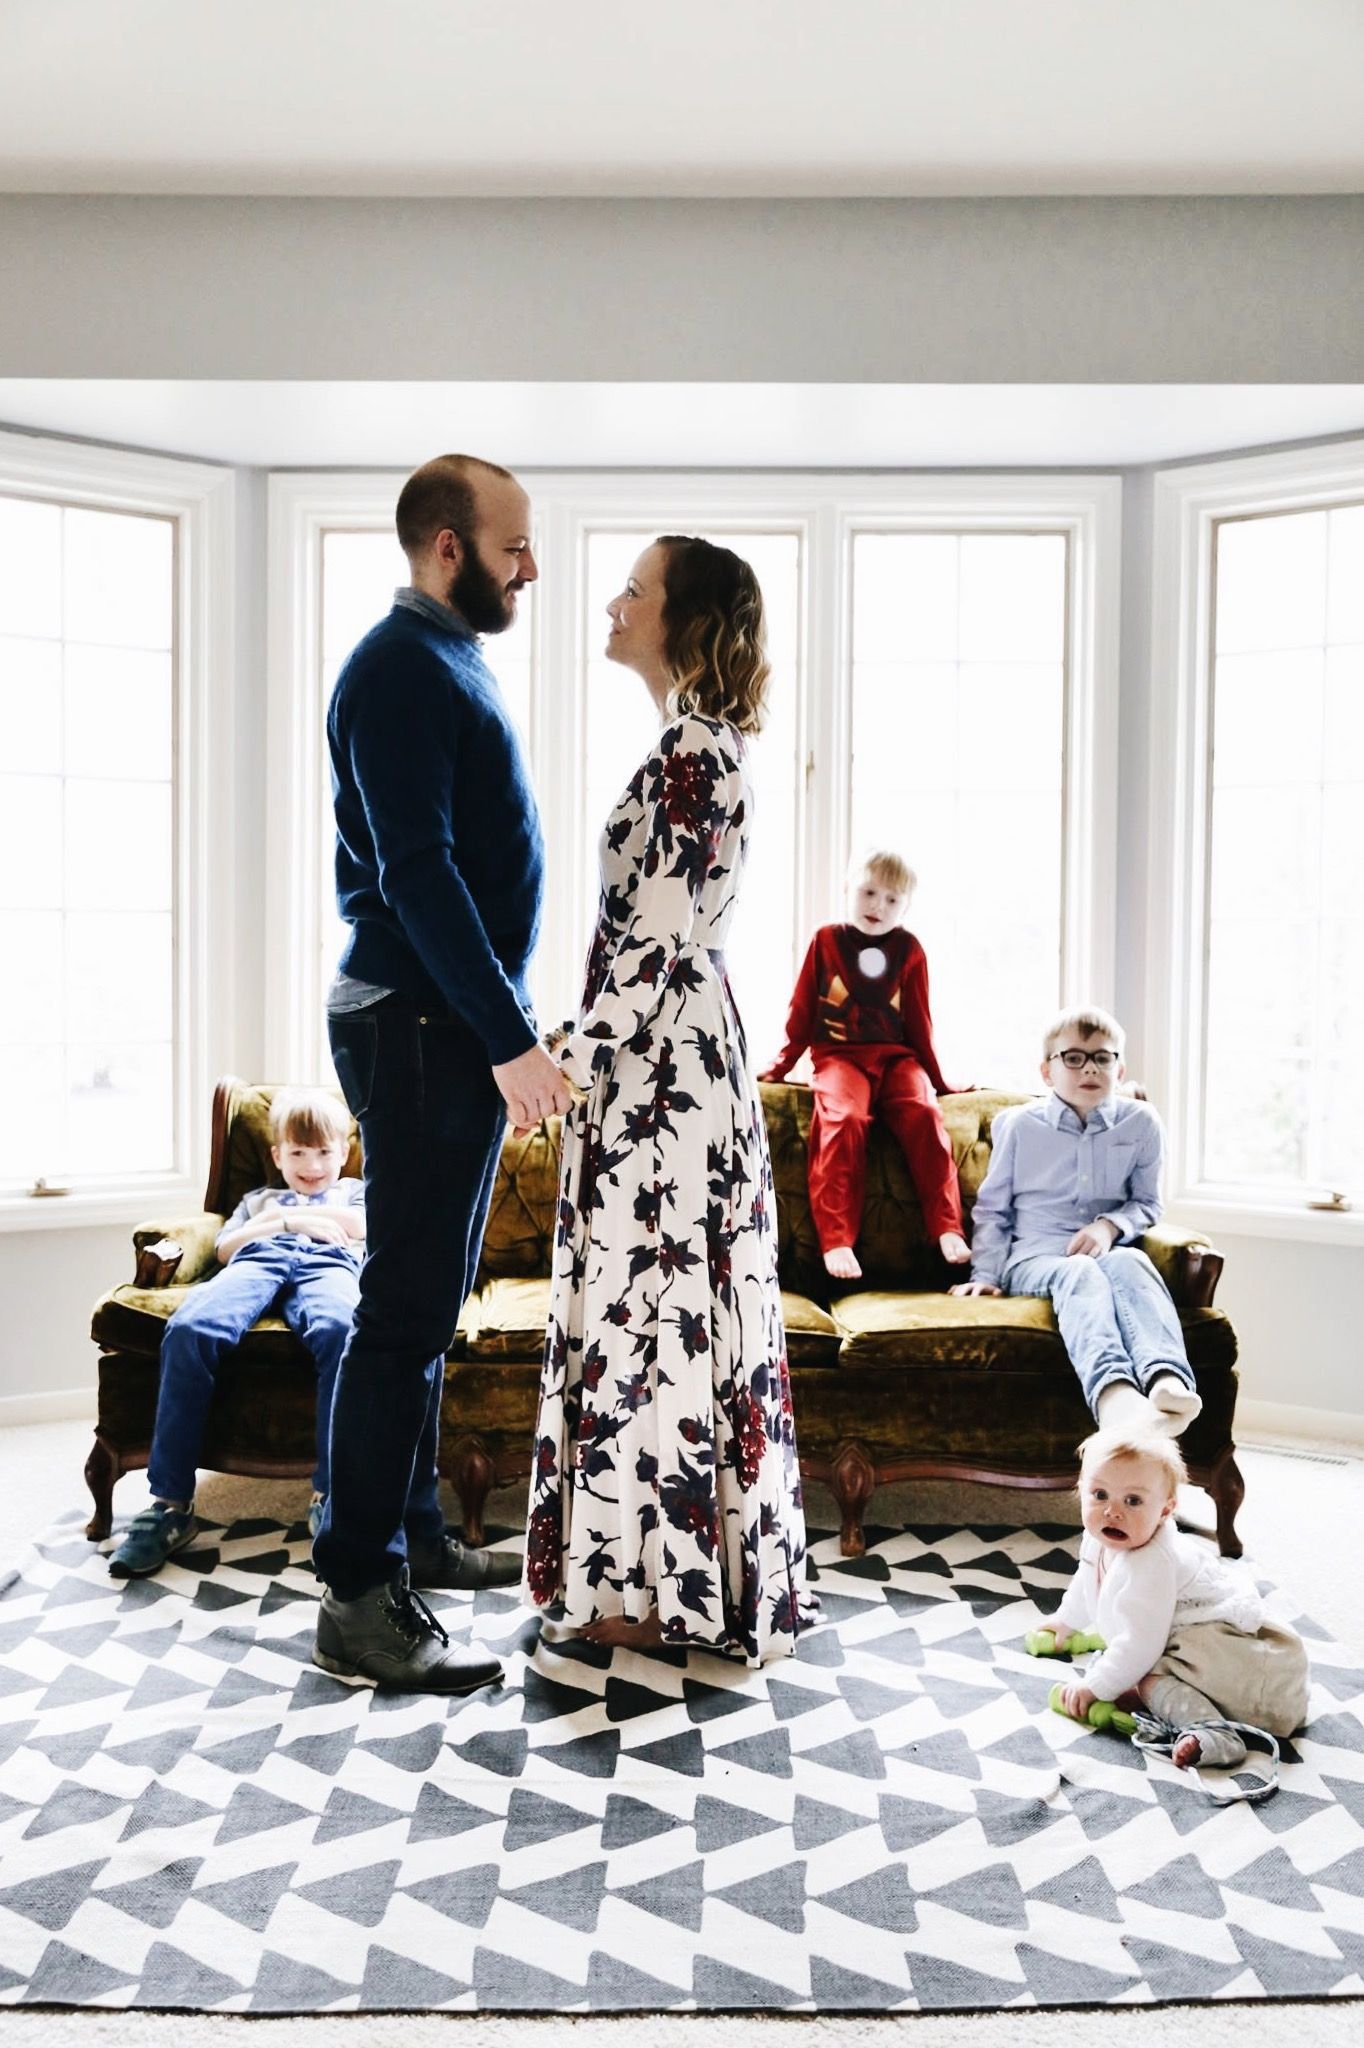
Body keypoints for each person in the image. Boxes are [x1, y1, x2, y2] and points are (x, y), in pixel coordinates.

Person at [523, 536, 815, 1663]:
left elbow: (647, 951)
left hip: (662, 1080)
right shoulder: (692, 746)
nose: (611, 600)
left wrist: (560, 1064)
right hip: (659, 1068)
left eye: (633, 589)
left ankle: (658, 1594)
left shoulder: (695, 754)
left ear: (682, 620)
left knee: (649, 1319)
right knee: (648, 1315)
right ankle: (648, 1579)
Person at [315, 453, 572, 1694]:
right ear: (449, 547)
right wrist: (508, 1036)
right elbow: (418, 877)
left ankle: (412, 1535)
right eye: (515, 546)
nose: (533, 568)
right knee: (403, 1308)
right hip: (418, 1024)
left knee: (428, 1298)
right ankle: (358, 1589)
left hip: (438, 1023)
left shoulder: (441, 661)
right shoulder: (397, 671)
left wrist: (501, 1023)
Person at [110, 1090, 364, 1579]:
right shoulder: (258, 1200)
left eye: (324, 1153)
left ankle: (331, 1497)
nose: (312, 1165)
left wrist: (291, 1220)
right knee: (188, 1329)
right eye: (297, 1153)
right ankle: (169, 1506)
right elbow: (226, 1248)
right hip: (257, 1262)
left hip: (329, 1266)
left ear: (343, 1153)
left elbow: (360, 1224)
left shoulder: (353, 1190)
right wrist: (282, 1218)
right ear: (277, 1155)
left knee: (343, 1333)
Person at [952, 1005, 1202, 1438]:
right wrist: (986, 1274)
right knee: (1079, 1272)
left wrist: (1108, 1226)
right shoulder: (1019, 1126)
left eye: (1102, 1057)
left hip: (1112, 1252)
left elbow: (1146, 1203)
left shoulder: (1141, 1123)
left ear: (1119, 1069)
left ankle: (1167, 1381)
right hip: (1034, 1257)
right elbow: (993, 1209)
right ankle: (1115, 1396)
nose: (1089, 1068)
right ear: (1047, 1071)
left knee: (1133, 1264)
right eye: (1073, 1057)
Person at [1033, 1428, 1309, 1771]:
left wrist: (1095, 1687)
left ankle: (1215, 1735)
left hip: (1235, 1660)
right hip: (1177, 1633)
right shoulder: (1099, 1538)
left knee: (1147, 1676)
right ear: (1081, 1490)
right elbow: (1087, 1579)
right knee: (1129, 1668)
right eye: (1100, 1494)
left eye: (1133, 1501)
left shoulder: (1153, 1562)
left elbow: (1141, 1645)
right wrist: (1066, 1621)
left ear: (1166, 1510)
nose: (1112, 1512)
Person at [761, 850, 968, 1279]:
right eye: (869, 892)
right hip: (839, 1058)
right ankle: (837, 1239)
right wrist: (780, 1066)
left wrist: (940, 1080)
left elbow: (919, 1022)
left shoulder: (909, 950)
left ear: (906, 907)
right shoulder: (826, 941)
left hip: (897, 1061)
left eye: (893, 899)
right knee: (844, 1118)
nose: (878, 906)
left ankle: (946, 1226)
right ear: (848, 891)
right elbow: (801, 1012)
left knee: (925, 1114)